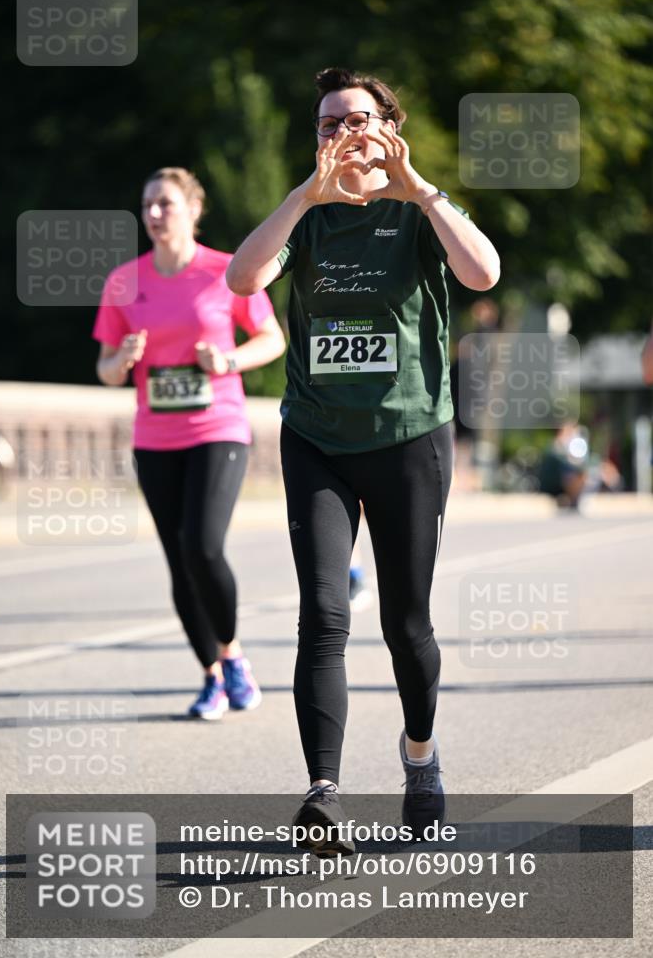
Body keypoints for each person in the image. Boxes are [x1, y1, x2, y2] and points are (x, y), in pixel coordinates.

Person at [226, 67, 499, 853]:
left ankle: (419, 755)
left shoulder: (419, 210)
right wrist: (301, 198)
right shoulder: (304, 217)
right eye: (325, 124)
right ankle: (323, 793)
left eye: (355, 119)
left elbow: (482, 273)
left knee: (404, 622)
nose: (341, 134)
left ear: (388, 126)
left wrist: (417, 189)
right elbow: (242, 279)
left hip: (410, 436)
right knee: (323, 612)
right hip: (316, 438)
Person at [93, 167, 285, 720]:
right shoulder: (124, 282)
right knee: (179, 562)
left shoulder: (225, 271)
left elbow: (271, 339)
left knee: (203, 544)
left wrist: (226, 360)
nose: (154, 214)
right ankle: (213, 674)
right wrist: (122, 359)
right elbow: (105, 370)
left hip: (217, 427)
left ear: (193, 210)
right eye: (148, 204)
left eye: (166, 204)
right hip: (155, 436)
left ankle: (234, 660)